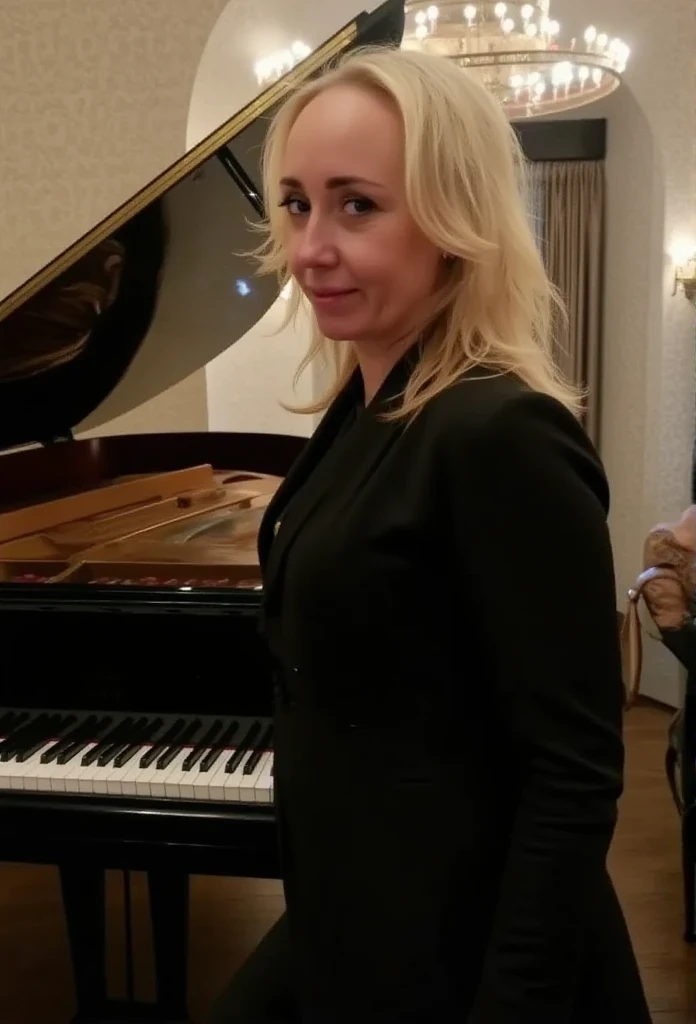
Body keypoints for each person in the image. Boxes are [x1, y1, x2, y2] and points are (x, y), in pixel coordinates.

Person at [207, 44, 651, 1024]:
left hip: (465, 952)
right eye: (294, 201)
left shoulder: (500, 432)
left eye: (357, 204)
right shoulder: (367, 407)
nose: (309, 246)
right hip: (357, 915)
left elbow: (571, 773)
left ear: (454, 222)